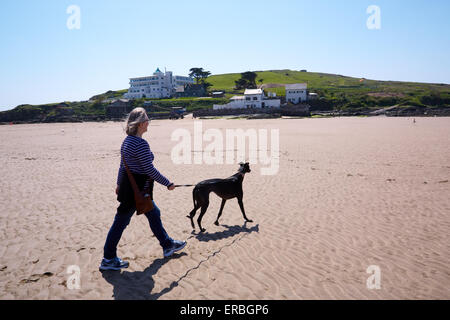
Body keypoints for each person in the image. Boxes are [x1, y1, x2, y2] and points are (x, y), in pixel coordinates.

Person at [100, 107, 186, 271]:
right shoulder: (140, 143)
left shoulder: (127, 141)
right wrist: (168, 183)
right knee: (120, 222)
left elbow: (122, 167)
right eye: (147, 120)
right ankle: (108, 258)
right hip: (137, 190)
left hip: (131, 187)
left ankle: (168, 245)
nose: (149, 123)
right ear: (141, 123)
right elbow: (149, 170)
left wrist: (119, 184)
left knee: (154, 213)